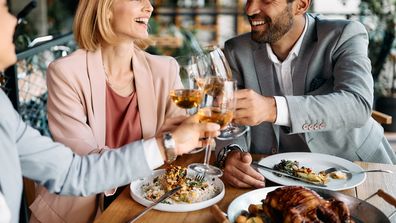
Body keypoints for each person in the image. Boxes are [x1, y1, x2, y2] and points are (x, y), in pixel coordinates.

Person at [0, 0, 220, 222]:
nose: (150, 7)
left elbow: (183, 148)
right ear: (105, 9)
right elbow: (81, 165)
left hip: (149, 202)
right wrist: (163, 144)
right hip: (82, 211)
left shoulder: (165, 68)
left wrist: (197, 137)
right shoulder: (65, 73)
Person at [220, 0, 396, 188]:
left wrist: (272, 108)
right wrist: (231, 152)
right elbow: (227, 116)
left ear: (301, 5)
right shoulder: (236, 51)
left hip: (356, 169)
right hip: (276, 176)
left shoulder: (344, 35)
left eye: (266, 0)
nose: (250, 9)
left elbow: (358, 105)